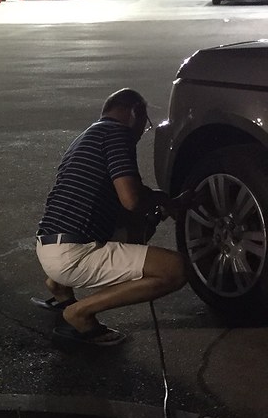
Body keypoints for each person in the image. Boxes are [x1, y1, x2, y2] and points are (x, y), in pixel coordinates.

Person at [33, 88, 189, 347]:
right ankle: (79, 313)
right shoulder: (118, 135)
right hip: (73, 253)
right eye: (145, 124)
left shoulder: (88, 136)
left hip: (48, 245)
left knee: (132, 227)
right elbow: (131, 199)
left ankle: (58, 287)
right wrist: (162, 201)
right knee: (175, 269)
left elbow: (125, 208)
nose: (142, 132)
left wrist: (162, 203)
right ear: (135, 113)